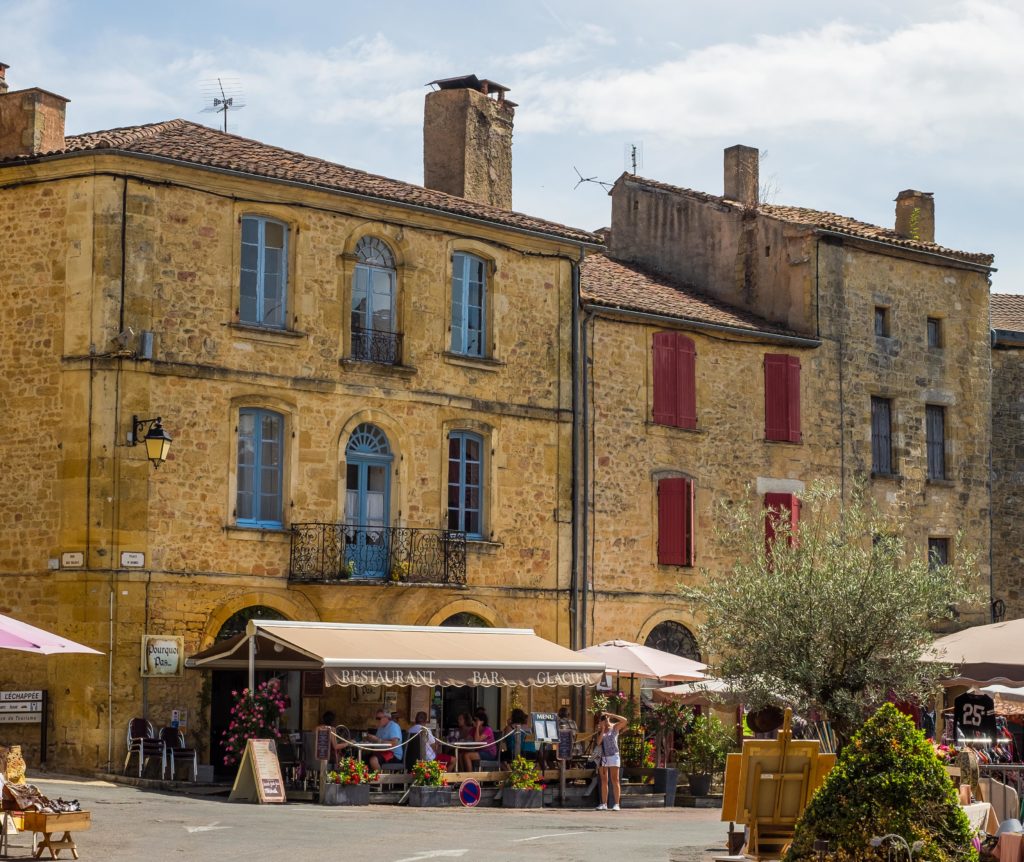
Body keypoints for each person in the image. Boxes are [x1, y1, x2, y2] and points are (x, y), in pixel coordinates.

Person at [595, 711, 628, 811]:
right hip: (604, 757)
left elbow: (625, 721)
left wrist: (611, 715)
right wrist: (602, 729)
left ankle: (617, 804)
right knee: (604, 780)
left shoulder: (615, 727)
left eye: (605, 718)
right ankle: (604, 803)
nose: (604, 720)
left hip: (614, 756)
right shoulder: (601, 730)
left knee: (615, 780)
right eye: (602, 719)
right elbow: (598, 742)